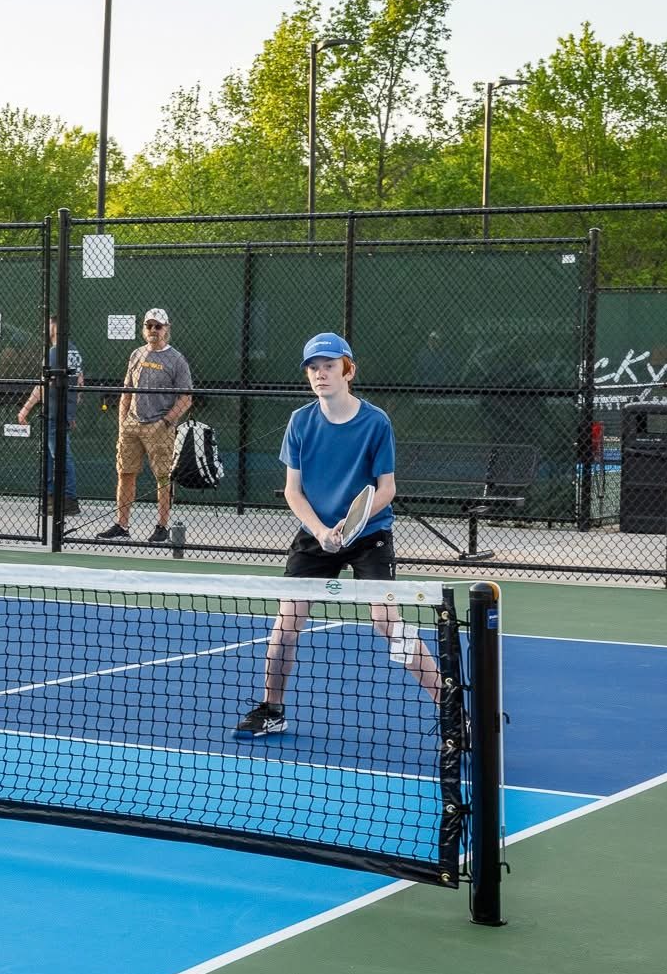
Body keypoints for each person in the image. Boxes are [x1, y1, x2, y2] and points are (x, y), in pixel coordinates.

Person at [233, 333, 441, 739]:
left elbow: (387, 488)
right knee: (287, 622)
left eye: (328, 366)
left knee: (387, 623)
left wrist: (351, 526)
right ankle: (272, 709)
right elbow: (294, 490)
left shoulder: (376, 422)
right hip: (317, 535)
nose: (320, 374)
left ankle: (452, 709)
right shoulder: (300, 422)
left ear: (348, 370)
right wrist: (321, 531)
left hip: (369, 534)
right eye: (313, 367)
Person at [98, 308, 194, 543]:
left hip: (159, 427)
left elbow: (186, 397)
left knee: (162, 477)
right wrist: (123, 423)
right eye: (149, 326)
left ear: (166, 329)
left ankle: (161, 526)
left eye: (157, 326)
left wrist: (166, 422)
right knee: (125, 473)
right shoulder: (136, 355)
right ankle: (122, 525)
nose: (153, 330)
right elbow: (126, 392)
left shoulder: (176, 359)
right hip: (131, 425)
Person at [18, 316, 85, 518]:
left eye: (49, 324)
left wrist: (25, 409)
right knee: (52, 454)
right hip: (61, 412)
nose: (46, 329)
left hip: (55, 412)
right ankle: (51, 498)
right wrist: (71, 410)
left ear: (55, 328)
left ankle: (67, 499)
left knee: (61, 456)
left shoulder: (54, 353)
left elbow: (43, 386)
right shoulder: (74, 351)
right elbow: (80, 383)